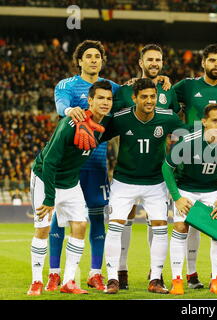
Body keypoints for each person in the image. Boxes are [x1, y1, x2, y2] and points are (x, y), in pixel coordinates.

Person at [99, 78, 186, 294]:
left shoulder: (168, 118)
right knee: (115, 226)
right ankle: (112, 279)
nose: (149, 101)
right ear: (134, 98)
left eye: (153, 97)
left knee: (159, 228)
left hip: (156, 182)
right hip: (124, 181)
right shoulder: (121, 118)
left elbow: (188, 138)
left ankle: (155, 279)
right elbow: (97, 135)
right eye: (144, 97)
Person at [27, 80, 113, 295]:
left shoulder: (101, 126)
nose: (105, 102)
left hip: (71, 182)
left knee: (80, 226)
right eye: (100, 98)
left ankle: (69, 281)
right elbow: (49, 163)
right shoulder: (70, 124)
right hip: (46, 179)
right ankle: (36, 281)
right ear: (90, 100)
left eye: (109, 99)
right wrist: (49, 198)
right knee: (43, 229)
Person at [46, 40, 119, 292]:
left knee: (97, 218)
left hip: (97, 163)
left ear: (102, 60)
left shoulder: (111, 88)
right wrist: (70, 110)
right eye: (88, 56)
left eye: (97, 56)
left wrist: (157, 81)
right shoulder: (66, 85)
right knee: (60, 218)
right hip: (69, 165)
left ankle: (95, 273)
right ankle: (54, 273)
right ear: (79, 61)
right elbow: (60, 106)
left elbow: (137, 95)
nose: (93, 60)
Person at [173, 44, 217, 289]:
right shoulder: (188, 86)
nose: (216, 65)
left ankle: (215, 279)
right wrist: (159, 82)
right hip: (188, 166)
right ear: (203, 63)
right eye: (212, 60)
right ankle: (184, 275)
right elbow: (166, 97)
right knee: (184, 225)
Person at [112, 44, 180, 290]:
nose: (154, 63)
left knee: (157, 221)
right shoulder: (124, 90)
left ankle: (156, 272)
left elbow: (175, 124)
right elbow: (116, 119)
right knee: (124, 218)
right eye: (149, 59)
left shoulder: (169, 90)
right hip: (128, 170)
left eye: (158, 60)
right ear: (140, 62)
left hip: (156, 173)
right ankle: (120, 270)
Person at [162, 103, 217, 295]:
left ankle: (216, 280)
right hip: (186, 190)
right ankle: (177, 280)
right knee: (181, 227)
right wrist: (177, 198)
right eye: (215, 120)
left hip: (212, 191)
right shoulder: (188, 140)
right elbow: (167, 167)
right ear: (204, 122)